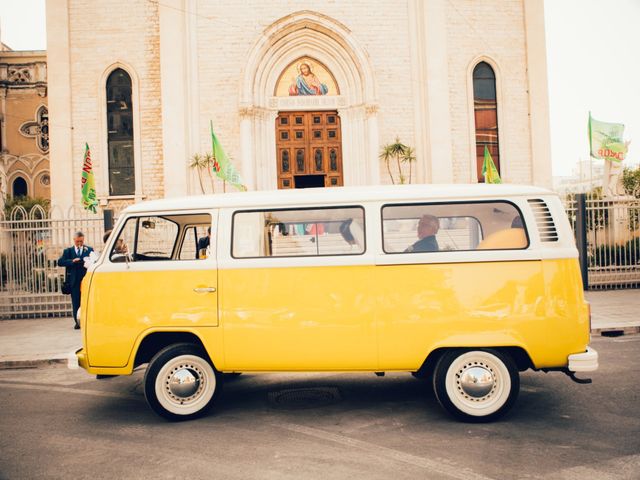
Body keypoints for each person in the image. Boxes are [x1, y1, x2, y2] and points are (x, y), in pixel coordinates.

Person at [58, 231, 94, 329]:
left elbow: (94, 261)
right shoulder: (68, 251)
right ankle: (78, 322)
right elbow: (60, 262)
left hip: (86, 280)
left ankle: (87, 321)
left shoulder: (89, 250)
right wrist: (71, 261)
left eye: (81, 241)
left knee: (86, 301)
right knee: (76, 302)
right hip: (73, 281)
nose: (79, 244)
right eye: (77, 241)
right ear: (74, 240)